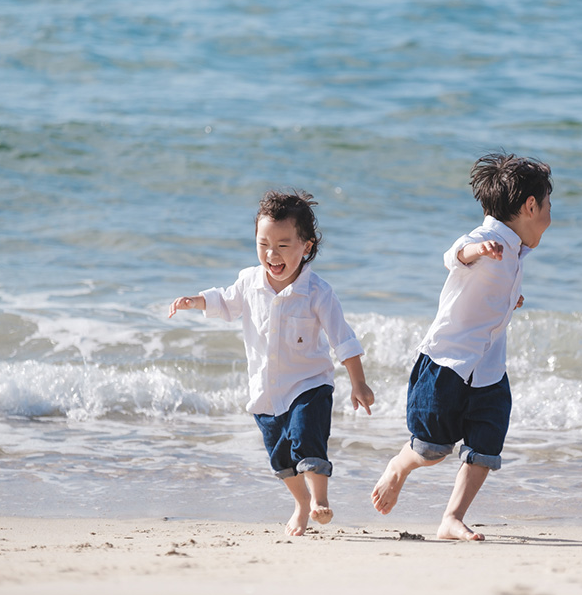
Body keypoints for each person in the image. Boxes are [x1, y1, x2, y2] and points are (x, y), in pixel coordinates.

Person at [170, 190, 374, 536]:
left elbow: (343, 339)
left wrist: (358, 382)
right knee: (281, 460)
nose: (271, 254)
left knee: (309, 440)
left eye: (283, 245)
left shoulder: (318, 292)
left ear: (306, 246)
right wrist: (197, 300)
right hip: (266, 393)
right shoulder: (249, 282)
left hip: (310, 384)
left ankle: (320, 500)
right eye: (263, 244)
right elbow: (225, 300)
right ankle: (301, 504)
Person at [371, 152, 553, 541]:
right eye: (548, 205)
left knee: (486, 444)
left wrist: (509, 300)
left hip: (489, 368)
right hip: (446, 364)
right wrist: (476, 251)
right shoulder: (487, 238)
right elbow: (455, 254)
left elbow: (489, 290)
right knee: (432, 449)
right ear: (531, 205)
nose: (550, 217)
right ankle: (399, 467)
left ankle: (451, 517)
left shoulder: (518, 251)